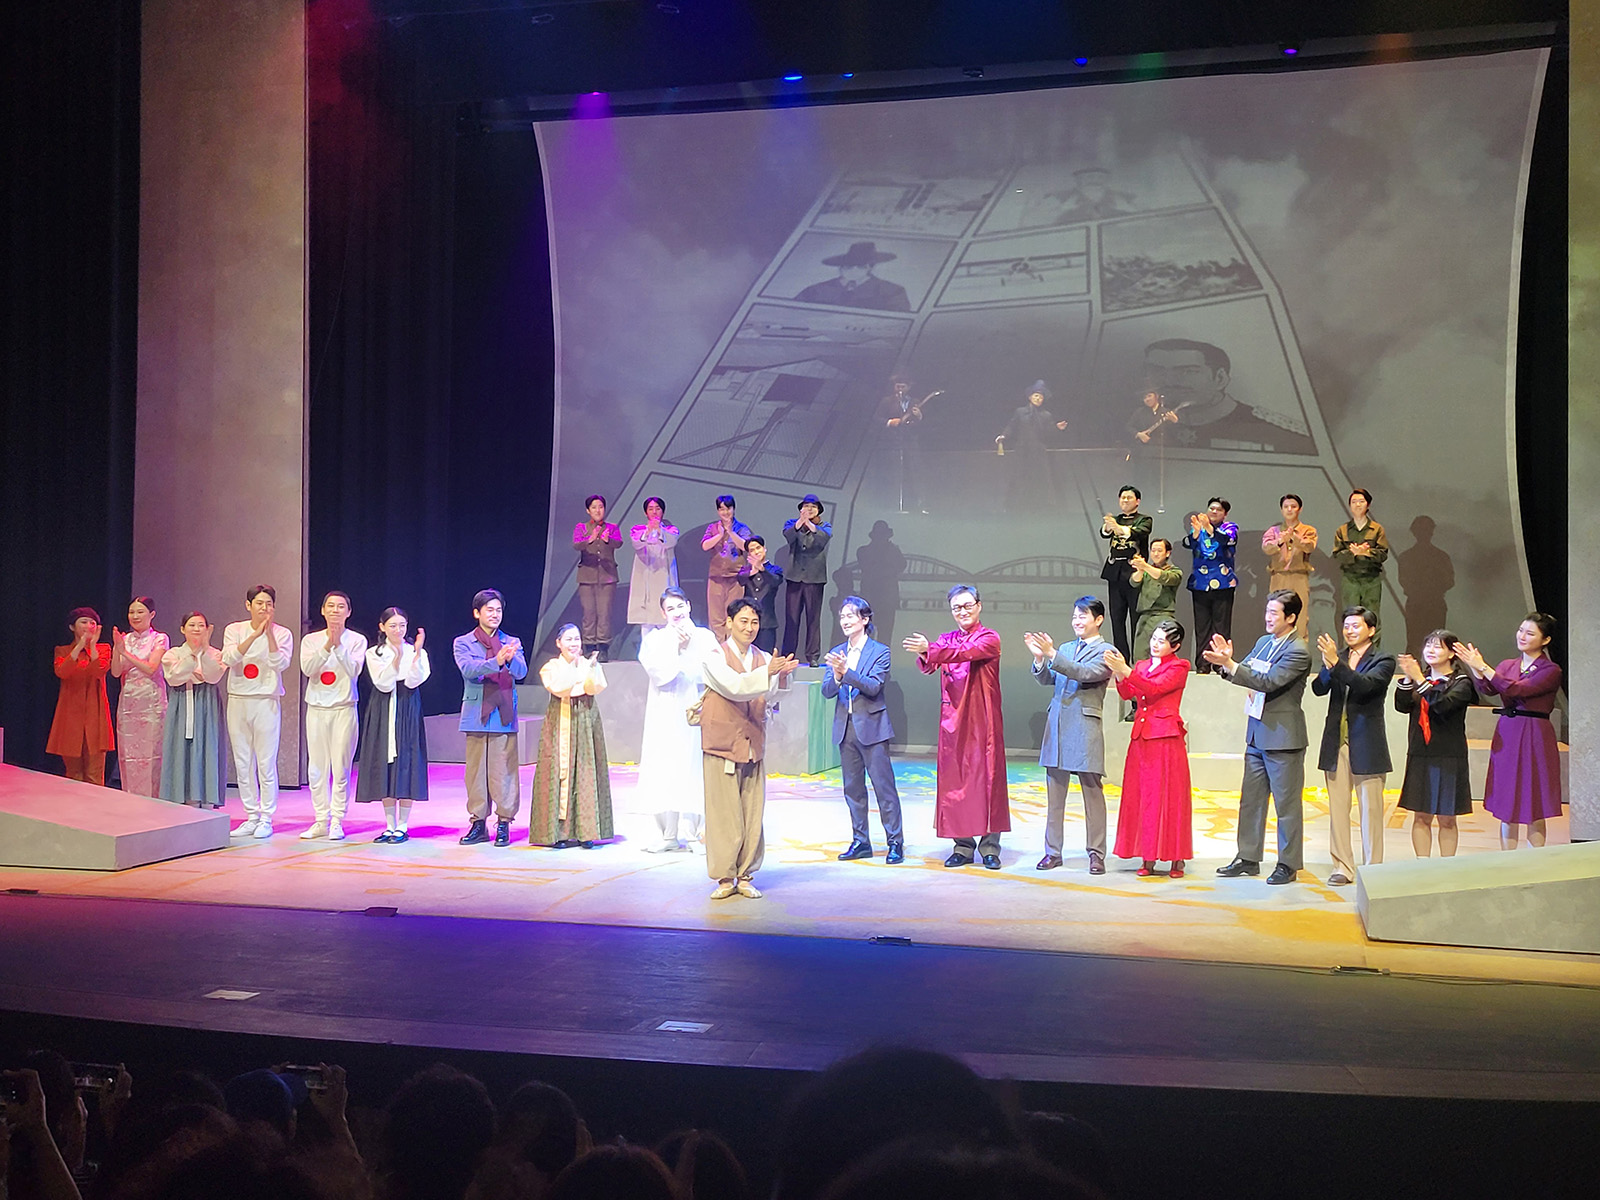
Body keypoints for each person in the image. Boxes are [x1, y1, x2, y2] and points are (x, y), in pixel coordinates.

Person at [1204, 589, 1312, 885]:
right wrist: (1225, 663)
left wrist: (1232, 665)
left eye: (1274, 613)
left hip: (1283, 738)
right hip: (1256, 734)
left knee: (1286, 805)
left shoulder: (1298, 650)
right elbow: (1246, 671)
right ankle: (1248, 857)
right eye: (1267, 611)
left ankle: (1288, 863)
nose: (1268, 617)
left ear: (1291, 617)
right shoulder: (1264, 643)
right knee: (1250, 801)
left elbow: (1268, 681)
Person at [699, 598, 799, 898]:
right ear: (729, 622)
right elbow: (735, 687)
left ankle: (745, 875)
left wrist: (781, 676)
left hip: (752, 742)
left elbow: (770, 695)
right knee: (723, 814)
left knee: (752, 814)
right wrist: (768, 673)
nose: (749, 627)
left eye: (754, 622)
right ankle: (724, 877)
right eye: (743, 621)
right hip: (722, 744)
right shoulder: (714, 656)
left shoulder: (763, 657)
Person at [905, 585, 1010, 868]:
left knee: (988, 780)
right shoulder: (946, 639)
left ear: (979, 606)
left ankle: (990, 848)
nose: (962, 612)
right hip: (953, 720)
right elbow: (929, 666)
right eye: (956, 608)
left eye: (967, 606)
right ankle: (962, 847)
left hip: (983, 720)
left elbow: (965, 652)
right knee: (955, 783)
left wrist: (931, 649)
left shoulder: (989, 637)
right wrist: (926, 652)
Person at [1456, 613, 1565, 850]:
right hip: (1508, 732)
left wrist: (1483, 667)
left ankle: (1535, 858)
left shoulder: (1551, 670)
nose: (1522, 636)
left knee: (1535, 799)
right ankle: (1507, 858)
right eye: (1521, 630)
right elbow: (1489, 688)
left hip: (1535, 733)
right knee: (1507, 798)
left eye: (1530, 633)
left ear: (1545, 640)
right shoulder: (1508, 665)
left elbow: (1517, 690)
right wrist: (1476, 670)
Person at [1024, 598, 1113, 873]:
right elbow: (1049, 679)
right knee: (1055, 795)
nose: (1077, 621)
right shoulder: (1065, 648)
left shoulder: (1107, 651)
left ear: (1098, 619)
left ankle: (1096, 854)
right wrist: (1040, 658)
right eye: (1074, 616)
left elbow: (1084, 673)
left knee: (1092, 794)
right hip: (1058, 725)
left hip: (1085, 725)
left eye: (1083, 616)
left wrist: (1052, 654)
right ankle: (1052, 852)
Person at [1311, 606, 1395, 885]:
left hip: (1367, 742)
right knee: (1338, 810)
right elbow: (1319, 689)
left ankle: (1373, 869)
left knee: (1371, 811)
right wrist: (1328, 666)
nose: (1349, 631)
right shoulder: (1338, 657)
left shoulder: (1383, 660)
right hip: (1337, 742)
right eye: (1346, 626)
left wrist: (1337, 664)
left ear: (1371, 630)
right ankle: (1342, 867)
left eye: (1355, 626)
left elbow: (1366, 686)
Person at [1105, 618, 1193, 877]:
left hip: (1165, 737)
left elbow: (1155, 689)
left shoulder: (1179, 667)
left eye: (1162, 641)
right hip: (1142, 737)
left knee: (1169, 796)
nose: (1155, 644)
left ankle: (1176, 857)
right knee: (1143, 796)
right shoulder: (1142, 665)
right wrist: (1119, 673)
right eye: (1154, 638)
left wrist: (1126, 670)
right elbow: (1127, 693)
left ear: (1175, 646)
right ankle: (1148, 855)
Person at [821, 596, 905, 864]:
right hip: (845, 729)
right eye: (842, 616)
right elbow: (826, 691)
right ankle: (860, 842)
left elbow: (873, 686)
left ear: (864, 619)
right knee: (853, 789)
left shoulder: (880, 651)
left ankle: (895, 842)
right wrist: (836, 676)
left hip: (873, 729)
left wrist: (846, 672)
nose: (844, 621)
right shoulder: (838, 652)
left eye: (850, 616)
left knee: (884, 788)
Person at [637, 588, 720, 853]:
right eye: (670, 609)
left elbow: (713, 671)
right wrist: (677, 649)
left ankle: (693, 834)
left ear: (689, 606)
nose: (676, 613)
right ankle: (668, 834)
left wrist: (686, 651)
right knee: (664, 767)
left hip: (694, 711)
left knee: (692, 767)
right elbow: (658, 674)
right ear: (663, 613)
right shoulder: (655, 639)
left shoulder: (704, 637)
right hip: (663, 712)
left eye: (679, 606)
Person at [1137, 338, 1315, 454]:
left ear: (1220, 378)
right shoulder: (1142, 424)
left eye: (1188, 371)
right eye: (1157, 371)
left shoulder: (1277, 434)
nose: (1169, 381)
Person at [453, 588, 527, 847]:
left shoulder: (511, 641)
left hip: (503, 713)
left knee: (504, 771)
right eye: (489, 610)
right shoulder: (463, 642)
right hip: (476, 713)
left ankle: (504, 822)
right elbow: (468, 670)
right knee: (475, 773)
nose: (495, 614)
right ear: (477, 613)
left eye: (498, 610)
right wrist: (496, 661)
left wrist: (510, 659)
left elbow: (521, 672)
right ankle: (478, 823)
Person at [530, 624, 614, 848]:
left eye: (577, 639)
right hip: (561, 720)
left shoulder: (587, 663)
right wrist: (577, 671)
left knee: (586, 770)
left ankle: (587, 831)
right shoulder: (551, 667)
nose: (574, 644)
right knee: (560, 771)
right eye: (568, 639)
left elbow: (594, 687)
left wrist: (591, 668)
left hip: (585, 719)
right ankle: (560, 833)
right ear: (558, 643)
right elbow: (559, 687)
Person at [1394, 631, 1476, 857]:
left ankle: (1446, 867)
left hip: (1449, 755)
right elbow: (1401, 706)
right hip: (1420, 752)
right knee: (1421, 815)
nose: (1430, 650)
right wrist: (1409, 678)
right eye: (1428, 645)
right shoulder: (1422, 679)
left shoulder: (1461, 682)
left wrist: (1419, 680)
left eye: (1438, 646)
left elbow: (1442, 705)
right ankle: (1423, 864)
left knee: (1447, 817)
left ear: (1451, 653)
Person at [222, 585, 294, 838]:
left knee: (265, 761)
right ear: (248, 605)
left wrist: (269, 634)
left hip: (265, 700)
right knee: (243, 761)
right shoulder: (234, 630)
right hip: (239, 699)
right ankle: (251, 815)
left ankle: (266, 817)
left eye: (269, 604)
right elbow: (229, 659)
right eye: (259, 603)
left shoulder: (283, 633)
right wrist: (254, 635)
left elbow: (280, 663)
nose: (264, 608)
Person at [357, 607, 431, 843]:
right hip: (383, 706)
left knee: (407, 760)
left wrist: (415, 655)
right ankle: (389, 825)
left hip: (408, 706)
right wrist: (396, 660)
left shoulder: (416, 651)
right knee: (385, 763)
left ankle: (403, 825)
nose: (398, 630)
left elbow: (413, 681)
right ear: (382, 627)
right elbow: (383, 684)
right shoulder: (374, 653)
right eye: (393, 626)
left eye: (402, 625)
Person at [299, 590, 367, 841]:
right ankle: (320, 820)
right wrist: (328, 643)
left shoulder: (357, 640)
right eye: (330, 606)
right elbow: (308, 669)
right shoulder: (311, 640)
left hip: (343, 708)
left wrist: (338, 645)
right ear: (322, 610)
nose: (335, 610)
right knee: (316, 768)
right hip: (317, 708)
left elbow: (353, 670)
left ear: (348, 612)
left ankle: (337, 820)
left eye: (340, 606)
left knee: (341, 767)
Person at [159, 611, 228, 808]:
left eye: (201, 625)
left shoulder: (215, 653)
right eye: (192, 625)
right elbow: (174, 678)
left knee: (207, 745)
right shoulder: (173, 653)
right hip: (182, 703)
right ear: (183, 629)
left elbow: (213, 676)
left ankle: (207, 798)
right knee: (181, 748)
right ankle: (184, 796)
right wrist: (194, 667)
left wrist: (203, 650)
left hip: (207, 705)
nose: (197, 629)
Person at [47, 607, 114, 785]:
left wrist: (91, 647)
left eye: (93, 623)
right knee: (73, 775)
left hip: (95, 717)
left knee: (94, 776)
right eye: (84, 622)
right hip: (70, 718)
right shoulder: (62, 651)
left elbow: (99, 671)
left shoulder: (103, 649)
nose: (89, 626)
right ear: (72, 627)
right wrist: (78, 647)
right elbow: (62, 672)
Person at [110, 596, 169, 796]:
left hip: (151, 703)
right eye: (132, 612)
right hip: (128, 704)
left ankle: (153, 799)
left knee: (152, 753)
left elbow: (151, 668)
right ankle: (130, 796)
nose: (135, 616)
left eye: (140, 612)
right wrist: (116, 649)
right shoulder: (125, 639)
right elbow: (116, 672)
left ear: (152, 614)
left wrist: (125, 653)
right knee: (128, 753)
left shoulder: (159, 638)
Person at [1183, 497, 1239, 672]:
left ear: (1225, 514)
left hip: (1223, 582)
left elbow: (1227, 541)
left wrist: (1209, 529)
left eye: (1218, 509)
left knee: (1221, 626)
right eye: (1211, 508)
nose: (1214, 511)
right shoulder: (1198, 527)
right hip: (1200, 582)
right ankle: (1203, 663)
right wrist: (1195, 533)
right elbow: (1189, 544)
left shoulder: (1229, 528)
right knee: (1202, 626)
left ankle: (1220, 663)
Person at [1098, 485, 1152, 663]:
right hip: (1115, 572)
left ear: (1137, 501)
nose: (1125, 500)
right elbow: (1104, 533)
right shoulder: (1116, 519)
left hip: (1134, 572)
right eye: (1123, 497)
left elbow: (1139, 532)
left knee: (1136, 618)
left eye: (1129, 497)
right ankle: (1121, 658)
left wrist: (1118, 528)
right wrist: (1109, 526)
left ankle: (1138, 660)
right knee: (1117, 617)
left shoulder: (1144, 519)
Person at [995, 381, 1068, 512]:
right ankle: (1013, 505)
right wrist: (1003, 436)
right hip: (1022, 449)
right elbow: (1012, 426)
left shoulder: (1046, 415)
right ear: (1030, 397)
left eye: (1041, 397)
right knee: (1018, 476)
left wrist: (1057, 428)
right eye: (1036, 396)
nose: (1038, 399)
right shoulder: (1020, 412)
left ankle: (1042, 505)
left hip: (1038, 450)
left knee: (1041, 477)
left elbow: (1048, 433)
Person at [782, 494, 832, 666]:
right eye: (806, 506)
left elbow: (822, 539)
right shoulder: (792, 524)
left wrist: (809, 523)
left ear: (818, 510)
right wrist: (800, 522)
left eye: (813, 507)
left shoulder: (824, 526)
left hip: (814, 579)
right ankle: (788, 654)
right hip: (795, 578)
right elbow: (789, 536)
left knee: (813, 619)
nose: (809, 509)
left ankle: (813, 656)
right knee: (791, 618)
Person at [794, 241, 911, 311]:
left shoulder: (892, 291)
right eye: (848, 266)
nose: (854, 270)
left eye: (861, 266)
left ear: (871, 267)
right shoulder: (816, 290)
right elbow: (793, 312)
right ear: (840, 266)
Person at [573, 495, 622, 660]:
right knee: (589, 612)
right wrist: (590, 539)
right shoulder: (581, 527)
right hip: (586, 576)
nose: (597, 510)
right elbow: (576, 545)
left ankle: (603, 646)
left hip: (608, 577)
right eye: (594, 507)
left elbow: (619, 543)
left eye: (600, 507)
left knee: (604, 612)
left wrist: (608, 540)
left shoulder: (612, 528)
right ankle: (588, 645)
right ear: (588, 510)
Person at [1331, 488, 1389, 623]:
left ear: (1368, 505)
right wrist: (1353, 553)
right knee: (1350, 616)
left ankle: (1373, 639)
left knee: (1372, 617)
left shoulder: (1377, 529)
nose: (1357, 505)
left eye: (1361, 501)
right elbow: (1337, 554)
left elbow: (1383, 554)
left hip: (1371, 579)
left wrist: (1367, 552)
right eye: (1354, 502)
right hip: (1350, 579)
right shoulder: (1342, 530)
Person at [878, 374, 933, 514]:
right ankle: (896, 505)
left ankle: (920, 504)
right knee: (896, 474)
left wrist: (919, 416)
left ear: (908, 387)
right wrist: (890, 422)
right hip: (893, 442)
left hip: (911, 442)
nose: (900, 389)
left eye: (903, 387)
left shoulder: (915, 402)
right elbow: (875, 419)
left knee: (915, 473)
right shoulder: (886, 401)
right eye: (897, 386)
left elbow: (925, 425)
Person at [701, 495, 752, 632]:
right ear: (718, 511)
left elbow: (745, 546)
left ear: (733, 509)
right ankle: (718, 645)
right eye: (722, 509)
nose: (725, 512)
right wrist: (719, 535)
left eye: (728, 508)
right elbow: (705, 546)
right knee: (716, 618)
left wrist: (730, 532)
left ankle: (730, 645)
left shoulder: (741, 528)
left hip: (735, 579)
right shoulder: (713, 527)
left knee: (732, 616)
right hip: (716, 578)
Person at [627, 497, 679, 632]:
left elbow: (671, 542)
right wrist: (648, 531)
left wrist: (659, 530)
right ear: (646, 512)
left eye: (657, 509)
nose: (654, 512)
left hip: (664, 576)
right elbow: (636, 544)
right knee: (646, 623)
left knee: (666, 619)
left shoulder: (671, 530)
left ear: (663, 512)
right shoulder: (638, 531)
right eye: (650, 509)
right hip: (645, 577)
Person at [1262, 493, 1318, 618]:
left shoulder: (1308, 530)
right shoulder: (1273, 531)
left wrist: (1294, 537)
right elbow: (1266, 548)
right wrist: (1280, 541)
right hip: (1278, 576)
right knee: (1277, 614)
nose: (1289, 510)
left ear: (1300, 509)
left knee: (1300, 616)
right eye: (1286, 507)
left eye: (1293, 506)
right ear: (1281, 509)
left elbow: (1309, 547)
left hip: (1299, 576)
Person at [1130, 539, 1183, 660]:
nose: (1155, 554)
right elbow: (1134, 582)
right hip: (1145, 616)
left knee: (1163, 652)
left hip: (1163, 615)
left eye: (1159, 550)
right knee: (1140, 654)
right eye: (1153, 550)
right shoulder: (1146, 570)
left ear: (1167, 553)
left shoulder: (1175, 571)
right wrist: (1140, 570)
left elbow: (1164, 577)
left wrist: (1145, 566)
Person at [741, 536, 784, 652]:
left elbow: (775, 581)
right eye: (752, 550)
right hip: (748, 623)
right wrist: (754, 570)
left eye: (758, 548)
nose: (756, 552)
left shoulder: (775, 569)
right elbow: (740, 579)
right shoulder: (746, 570)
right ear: (748, 554)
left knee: (766, 656)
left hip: (767, 622)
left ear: (764, 549)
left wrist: (761, 568)